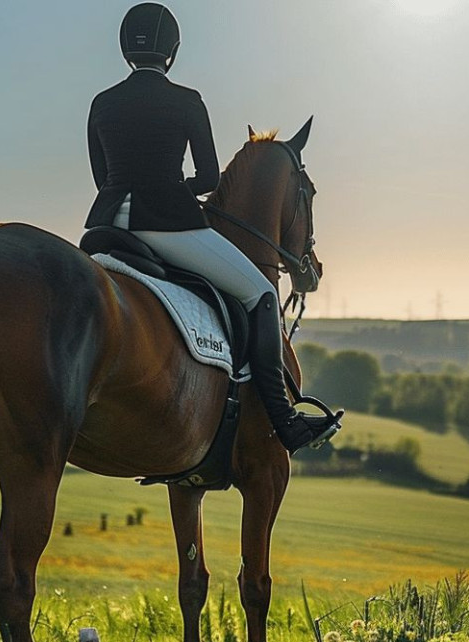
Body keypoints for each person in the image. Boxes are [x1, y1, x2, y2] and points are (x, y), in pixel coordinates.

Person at [85, 3, 340, 453]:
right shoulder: (186, 101)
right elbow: (206, 179)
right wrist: (172, 186)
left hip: (105, 227)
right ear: (174, 51)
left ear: (125, 49)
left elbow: (101, 176)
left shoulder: (102, 102)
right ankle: (284, 420)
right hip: (167, 225)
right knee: (260, 294)